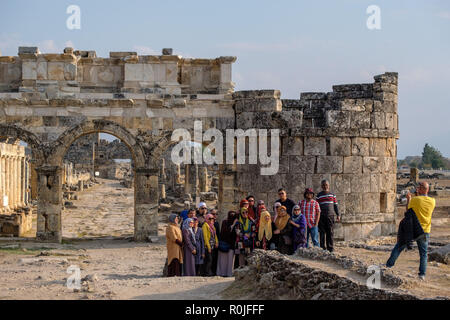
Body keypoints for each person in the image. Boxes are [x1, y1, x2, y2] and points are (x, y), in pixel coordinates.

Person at [386, 182, 435, 280]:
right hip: (425, 230)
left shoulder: (415, 200)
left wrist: (409, 199)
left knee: (399, 246)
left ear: (420, 189)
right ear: (427, 190)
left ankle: (388, 266)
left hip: (412, 229)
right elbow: (422, 203)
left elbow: (408, 209)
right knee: (423, 254)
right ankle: (422, 274)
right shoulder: (433, 201)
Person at [316, 180, 340, 253]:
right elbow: (316, 207)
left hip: (330, 216)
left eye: (326, 184)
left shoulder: (332, 195)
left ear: (328, 185)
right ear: (321, 186)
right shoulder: (319, 195)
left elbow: (335, 205)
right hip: (321, 217)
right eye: (323, 185)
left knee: (330, 232)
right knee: (322, 232)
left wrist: (338, 214)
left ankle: (330, 248)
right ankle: (322, 248)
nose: (325, 186)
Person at [216, 211, 238, 277]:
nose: (232, 217)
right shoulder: (225, 222)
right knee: (223, 260)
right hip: (224, 243)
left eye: (233, 216)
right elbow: (225, 232)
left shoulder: (237, 223)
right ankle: (221, 273)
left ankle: (229, 274)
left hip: (231, 244)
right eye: (231, 215)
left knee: (230, 261)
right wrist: (233, 225)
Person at [209, 208, 220, 273]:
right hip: (209, 243)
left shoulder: (217, 223)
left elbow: (217, 234)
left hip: (215, 243)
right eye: (213, 214)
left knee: (215, 258)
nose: (215, 215)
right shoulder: (207, 223)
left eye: (216, 214)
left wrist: (217, 242)